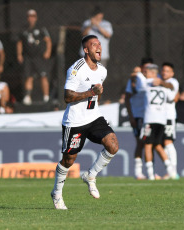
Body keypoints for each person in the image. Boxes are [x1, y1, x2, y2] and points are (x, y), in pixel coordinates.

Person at [51, 35, 119, 210]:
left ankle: (90, 175)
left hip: (94, 117)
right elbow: (67, 97)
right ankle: (57, 194)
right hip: (75, 121)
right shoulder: (76, 69)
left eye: (100, 44)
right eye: (94, 44)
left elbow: (97, 94)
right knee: (68, 160)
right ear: (86, 50)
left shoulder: (102, 70)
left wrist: (96, 93)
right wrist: (90, 92)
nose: (99, 47)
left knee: (113, 145)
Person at [139, 64, 176, 180]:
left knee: (148, 145)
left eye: (147, 72)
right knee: (158, 145)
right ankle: (170, 169)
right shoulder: (164, 85)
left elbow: (137, 87)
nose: (145, 74)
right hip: (162, 120)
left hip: (150, 119)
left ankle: (150, 174)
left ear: (152, 73)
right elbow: (172, 97)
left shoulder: (146, 82)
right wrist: (163, 84)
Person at [124, 58, 153, 180]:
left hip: (151, 116)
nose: (147, 70)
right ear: (141, 68)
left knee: (150, 143)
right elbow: (127, 98)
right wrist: (131, 116)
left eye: (149, 68)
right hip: (138, 115)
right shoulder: (134, 80)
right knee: (141, 143)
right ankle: (138, 172)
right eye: (145, 68)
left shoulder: (153, 80)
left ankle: (151, 172)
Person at [16, 9, 52, 105]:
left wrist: (48, 51)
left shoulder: (41, 28)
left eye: (33, 16)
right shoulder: (23, 29)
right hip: (28, 56)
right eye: (29, 16)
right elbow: (19, 42)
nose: (31, 18)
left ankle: (46, 96)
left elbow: (48, 40)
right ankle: (28, 96)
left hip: (39, 56)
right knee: (28, 77)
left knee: (43, 76)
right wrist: (19, 54)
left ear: (36, 18)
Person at [161, 62, 180, 179]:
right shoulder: (159, 82)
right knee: (161, 144)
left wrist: (160, 83)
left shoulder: (173, 82)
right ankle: (170, 170)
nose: (164, 73)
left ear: (172, 73)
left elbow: (172, 92)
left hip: (168, 117)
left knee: (168, 142)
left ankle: (174, 171)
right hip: (158, 117)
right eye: (163, 70)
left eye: (167, 71)